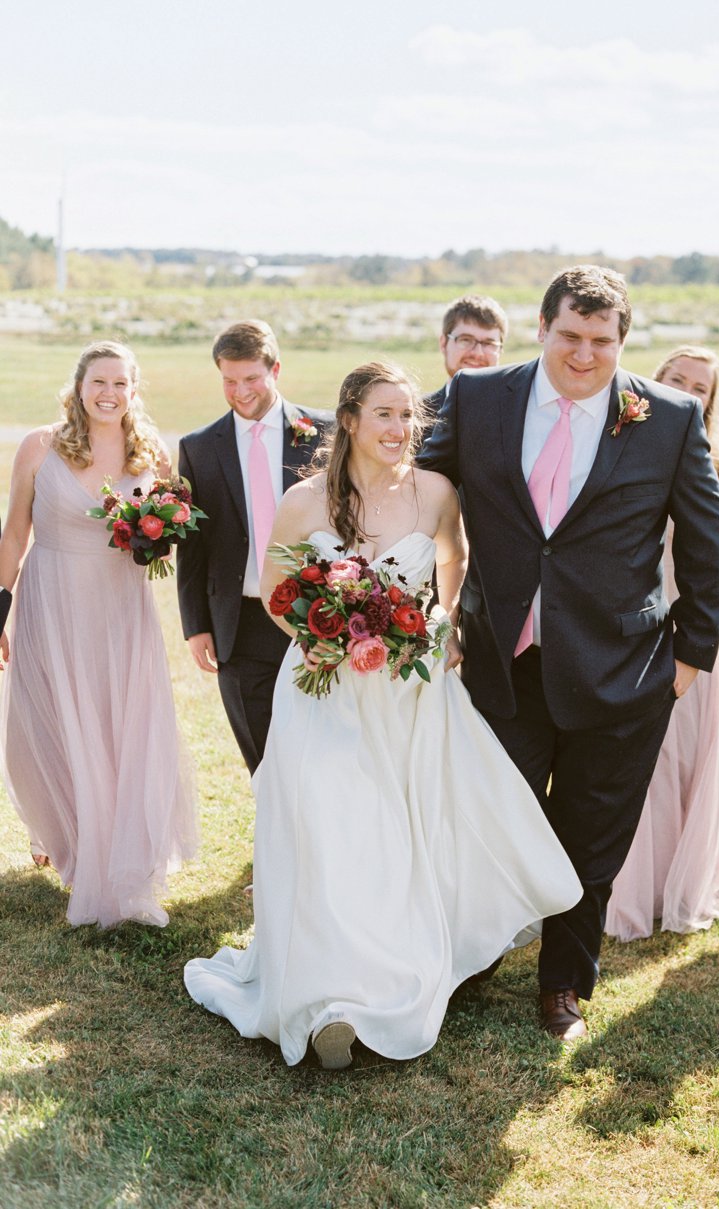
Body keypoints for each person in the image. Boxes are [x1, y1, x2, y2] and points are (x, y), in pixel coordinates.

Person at [183, 362, 581, 1070]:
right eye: (385, 415)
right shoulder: (306, 500)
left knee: (404, 830)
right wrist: (324, 636)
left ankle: (389, 980)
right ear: (350, 421)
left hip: (411, 691)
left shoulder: (437, 493)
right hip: (325, 689)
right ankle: (330, 999)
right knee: (335, 826)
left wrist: (445, 624)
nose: (400, 429)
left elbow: (453, 561)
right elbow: (276, 587)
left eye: (408, 416)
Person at [418, 265, 719, 1040]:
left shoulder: (670, 417)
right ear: (541, 328)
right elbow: (411, 486)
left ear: (623, 341)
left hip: (623, 671)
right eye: (570, 335)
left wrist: (692, 655)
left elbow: (705, 537)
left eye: (601, 340)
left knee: (593, 835)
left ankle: (563, 984)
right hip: (501, 661)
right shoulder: (479, 397)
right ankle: (472, 962)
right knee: (493, 823)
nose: (583, 354)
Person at [0, 341, 196, 927]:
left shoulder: (152, 455)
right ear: (79, 386)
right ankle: (70, 841)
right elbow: (13, 536)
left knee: (121, 724)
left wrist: (158, 537)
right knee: (50, 721)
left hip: (121, 607)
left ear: (133, 391)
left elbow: (171, 534)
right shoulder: (40, 446)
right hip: (51, 600)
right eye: (98, 382)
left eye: (120, 384)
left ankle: (123, 864)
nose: (108, 394)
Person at [606, 347, 719, 941]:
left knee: (690, 753)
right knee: (645, 757)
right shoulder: (619, 436)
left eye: (701, 387)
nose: (689, 393)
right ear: (653, 379)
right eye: (677, 380)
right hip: (633, 621)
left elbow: (716, 557)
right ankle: (629, 883)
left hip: (693, 626)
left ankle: (678, 882)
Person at [177, 320, 332, 773]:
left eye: (251, 378)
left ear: (275, 369)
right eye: (229, 380)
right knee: (262, 756)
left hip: (315, 612)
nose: (240, 391)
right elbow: (194, 546)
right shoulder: (200, 447)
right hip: (239, 620)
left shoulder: (322, 432)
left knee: (318, 751)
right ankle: (273, 838)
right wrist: (195, 625)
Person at [422, 294, 508, 429]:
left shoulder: (517, 415)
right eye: (466, 340)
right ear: (443, 344)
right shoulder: (416, 415)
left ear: (500, 349)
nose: (478, 353)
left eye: (488, 343)